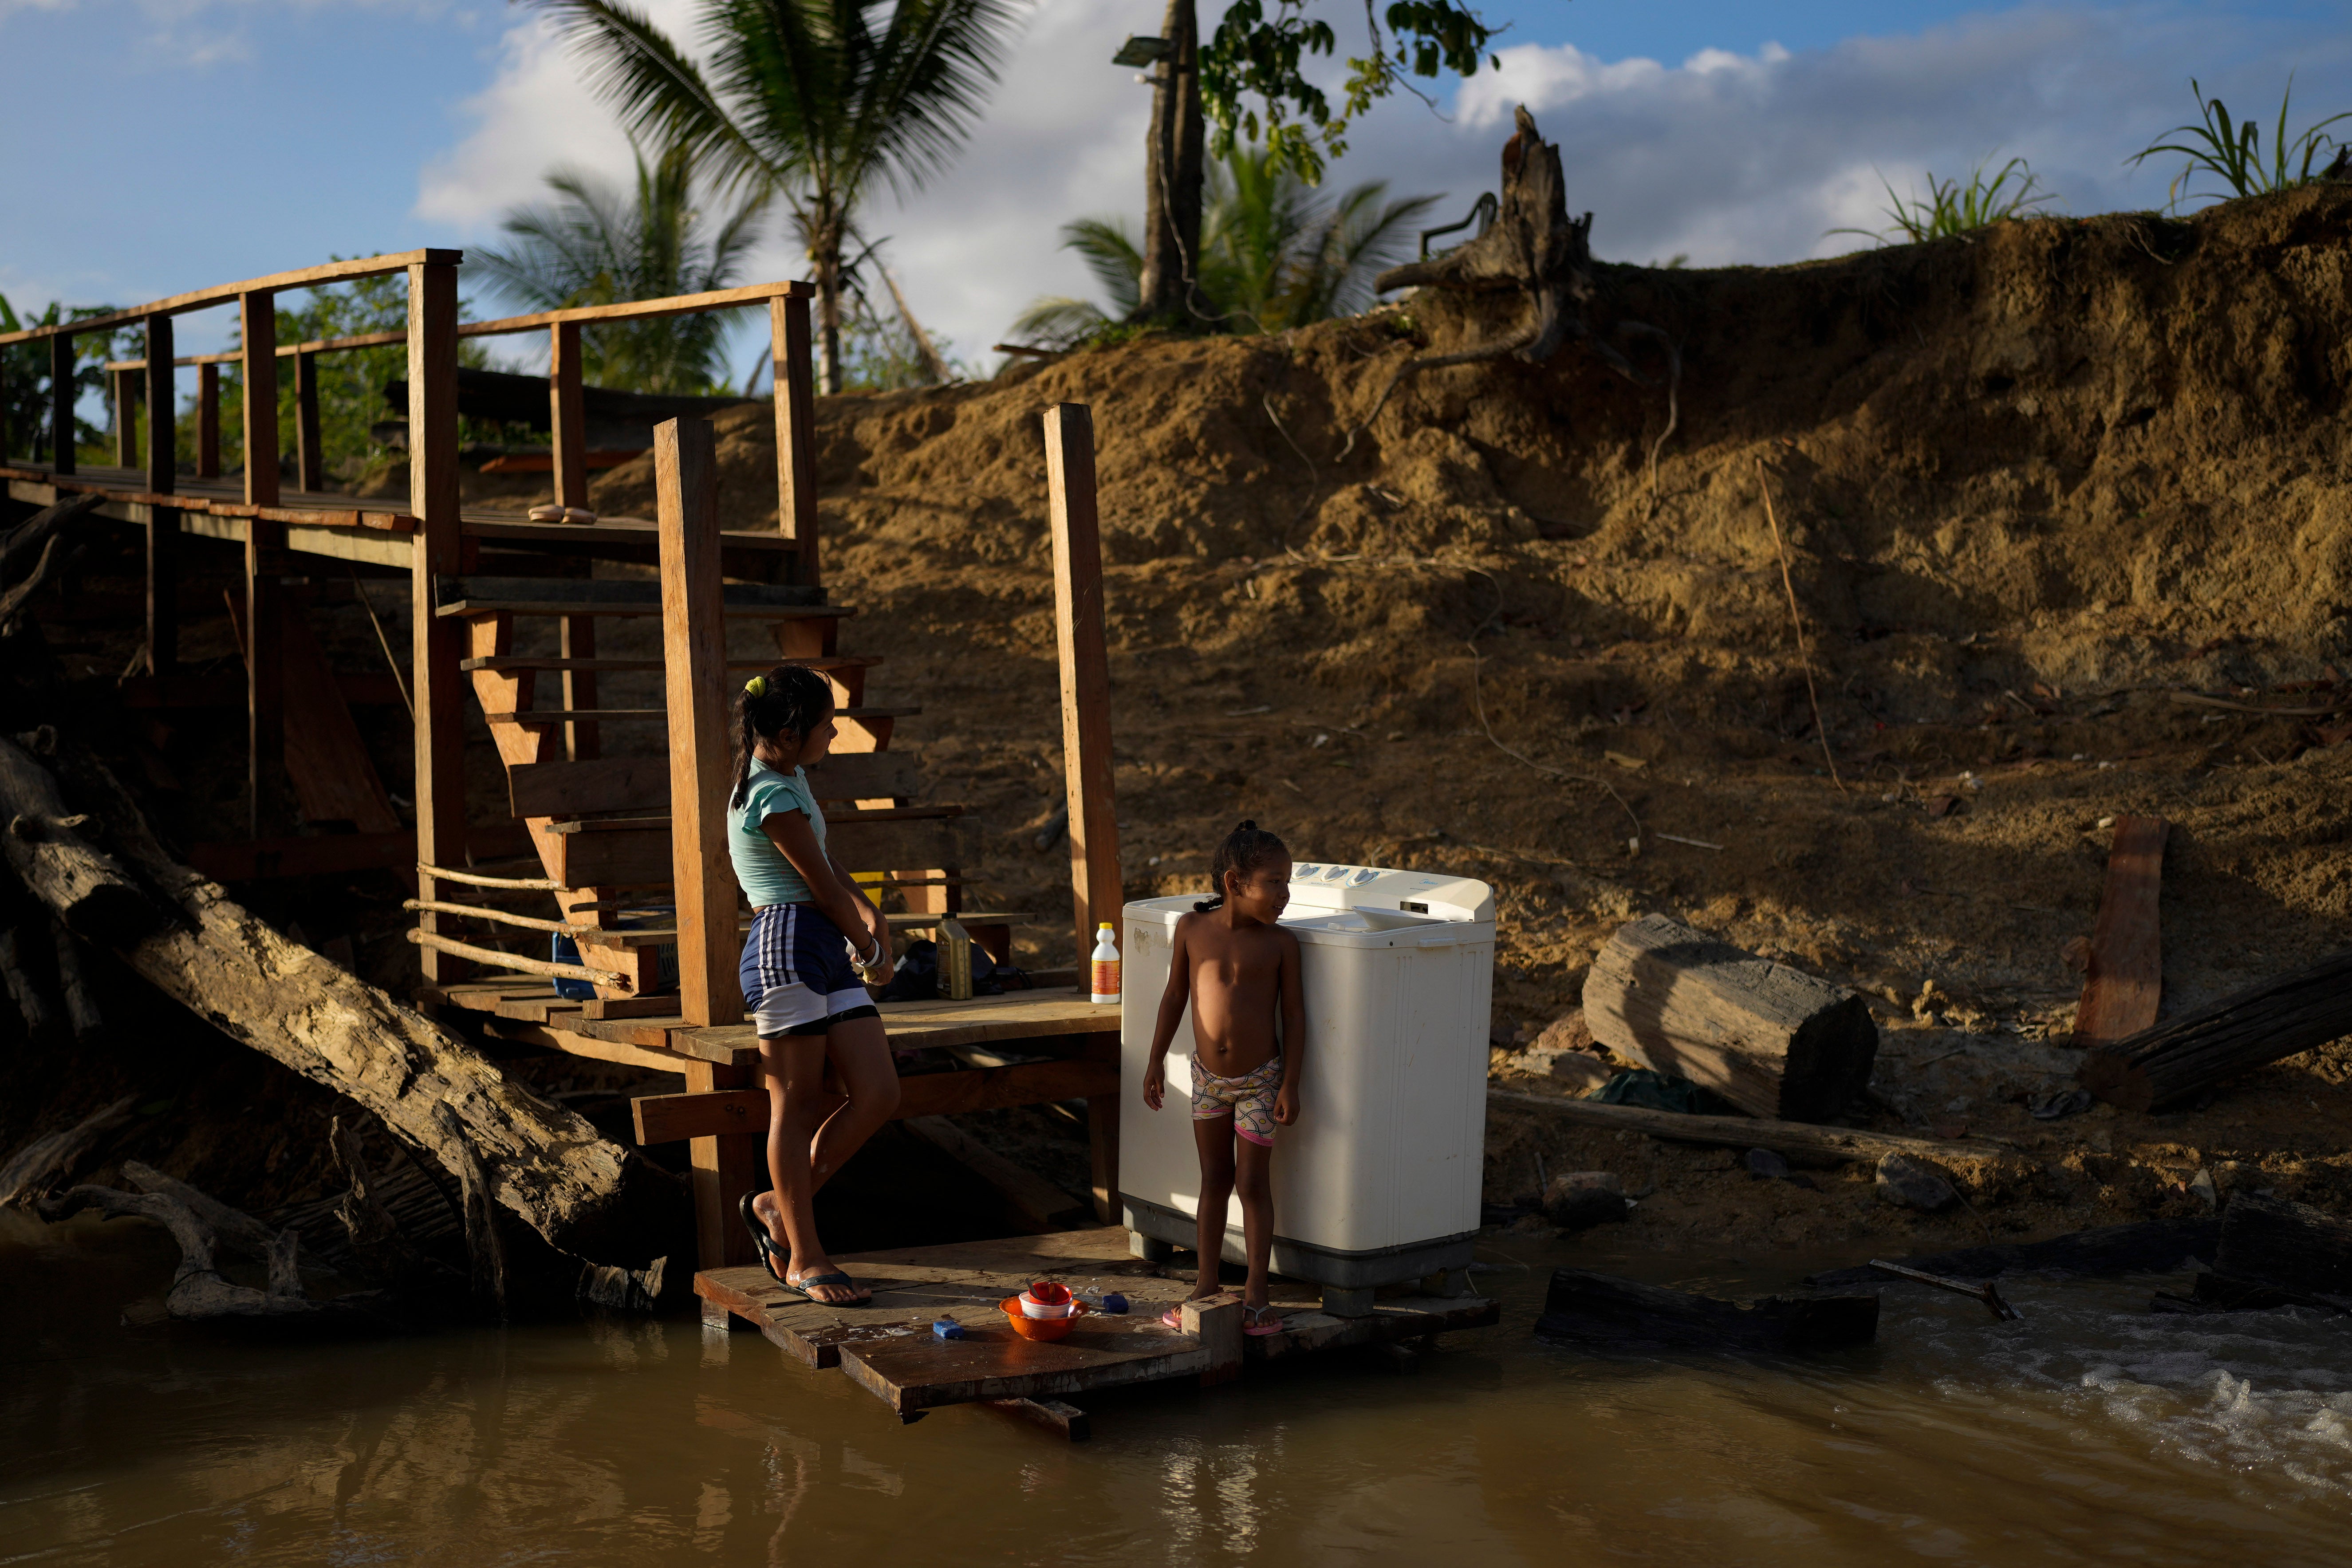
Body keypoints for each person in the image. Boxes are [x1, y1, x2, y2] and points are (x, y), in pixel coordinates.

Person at [729, 666, 900, 1306]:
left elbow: (825, 864)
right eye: (827, 724)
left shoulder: (791, 777)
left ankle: (777, 1207)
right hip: (785, 945)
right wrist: (869, 946)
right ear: (789, 733)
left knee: (878, 1091)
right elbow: (820, 890)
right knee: (796, 1104)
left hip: (821, 944)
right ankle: (804, 1255)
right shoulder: (767, 794)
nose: (834, 732)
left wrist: (871, 913)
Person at [1142, 821, 1303, 1336]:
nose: (1284, 893)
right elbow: (1174, 997)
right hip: (1207, 1079)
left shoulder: (1281, 943)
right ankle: (1205, 1286)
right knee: (1214, 1178)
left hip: (1261, 1081)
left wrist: (1290, 1083)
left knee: (1252, 1183)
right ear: (1235, 883)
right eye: (1274, 882)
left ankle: (1257, 1294)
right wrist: (1155, 1061)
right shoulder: (1192, 928)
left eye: (1287, 882)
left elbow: (1294, 1016)